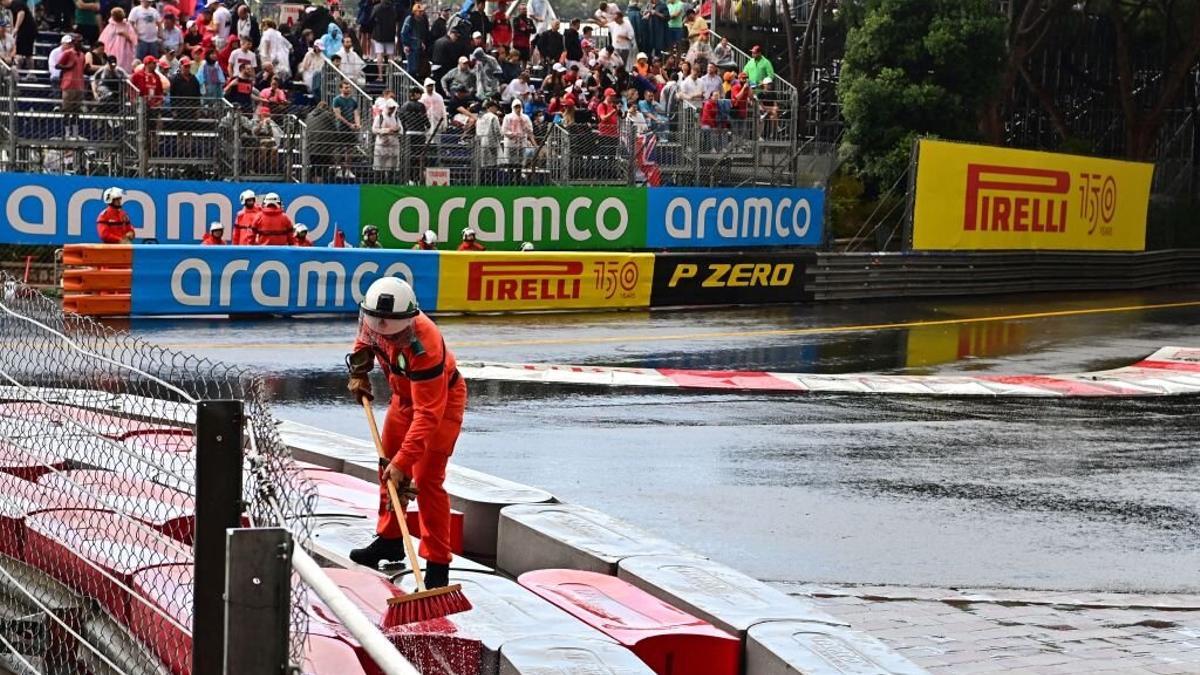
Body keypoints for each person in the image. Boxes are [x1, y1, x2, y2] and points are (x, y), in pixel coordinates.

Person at [345, 276, 466, 586]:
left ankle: (437, 564)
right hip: (403, 397)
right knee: (386, 467)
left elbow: (427, 415)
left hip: (440, 403)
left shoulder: (425, 344)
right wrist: (359, 372)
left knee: (426, 479)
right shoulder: (373, 319)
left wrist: (404, 463)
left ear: (408, 320)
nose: (389, 337)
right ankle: (389, 538)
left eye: (395, 334)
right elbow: (364, 343)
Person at [56, 33, 85, 138]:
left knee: (76, 110)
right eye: (78, 41)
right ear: (73, 43)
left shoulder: (82, 55)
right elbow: (57, 65)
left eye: (81, 41)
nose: (80, 43)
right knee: (67, 110)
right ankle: (67, 132)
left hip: (79, 85)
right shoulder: (68, 53)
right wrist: (68, 67)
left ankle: (75, 132)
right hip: (68, 84)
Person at [100, 7, 137, 73]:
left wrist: (125, 34)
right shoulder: (110, 26)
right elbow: (103, 40)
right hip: (112, 51)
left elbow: (133, 39)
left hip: (125, 51)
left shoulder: (127, 25)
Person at [372, 97, 401, 178]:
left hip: (393, 146)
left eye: (393, 108)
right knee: (379, 167)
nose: (392, 110)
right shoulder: (379, 117)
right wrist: (387, 130)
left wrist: (397, 130)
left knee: (392, 168)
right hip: (381, 146)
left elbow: (401, 129)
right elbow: (374, 129)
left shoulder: (396, 118)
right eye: (391, 108)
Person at [399, 2, 427, 80]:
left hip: (418, 47)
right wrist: (406, 45)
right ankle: (409, 82)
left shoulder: (421, 21)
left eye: (422, 11)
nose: (421, 13)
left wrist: (421, 42)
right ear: (414, 12)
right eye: (419, 11)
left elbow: (420, 33)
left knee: (417, 67)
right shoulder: (409, 19)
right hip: (410, 47)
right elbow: (403, 33)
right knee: (411, 68)